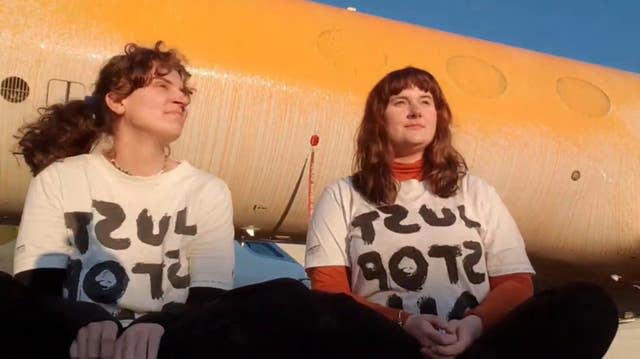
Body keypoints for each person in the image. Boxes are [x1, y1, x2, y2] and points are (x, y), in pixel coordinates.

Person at [305, 67, 619, 358]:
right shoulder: (342, 194)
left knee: (590, 305)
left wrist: (472, 326)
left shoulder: (476, 192)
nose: (415, 110)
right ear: (378, 119)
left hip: (476, 345)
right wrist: (405, 322)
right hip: (388, 343)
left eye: (425, 101)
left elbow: (516, 283)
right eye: (400, 102)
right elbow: (330, 291)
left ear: (438, 117)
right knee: (282, 299)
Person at [7, 41, 234, 359]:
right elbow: (38, 288)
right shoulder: (60, 179)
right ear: (116, 101)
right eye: (162, 85)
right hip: (71, 342)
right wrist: (87, 321)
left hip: (168, 345)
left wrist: (161, 324)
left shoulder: (208, 191)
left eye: (185, 92)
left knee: (284, 298)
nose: (181, 98)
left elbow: (210, 299)